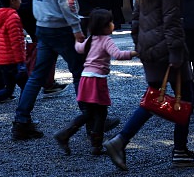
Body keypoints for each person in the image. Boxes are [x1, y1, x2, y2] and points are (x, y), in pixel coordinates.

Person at [104, 0, 194, 170]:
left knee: (154, 97)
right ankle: (179, 150)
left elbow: (137, 15)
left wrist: (138, 41)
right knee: (185, 97)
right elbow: (171, 18)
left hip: (148, 43)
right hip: (167, 46)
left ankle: (121, 140)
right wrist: (177, 52)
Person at [12, 0, 89, 140]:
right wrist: (76, 27)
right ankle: (91, 116)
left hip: (43, 22)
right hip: (60, 24)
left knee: (37, 74)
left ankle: (21, 119)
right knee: (79, 69)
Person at [55, 8, 137, 155]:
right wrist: (134, 53)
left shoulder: (91, 38)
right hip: (97, 80)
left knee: (92, 112)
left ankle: (78, 139)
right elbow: (117, 55)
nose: (113, 24)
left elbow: (79, 49)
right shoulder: (106, 40)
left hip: (86, 78)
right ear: (104, 26)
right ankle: (78, 139)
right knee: (99, 112)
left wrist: (76, 39)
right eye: (110, 22)